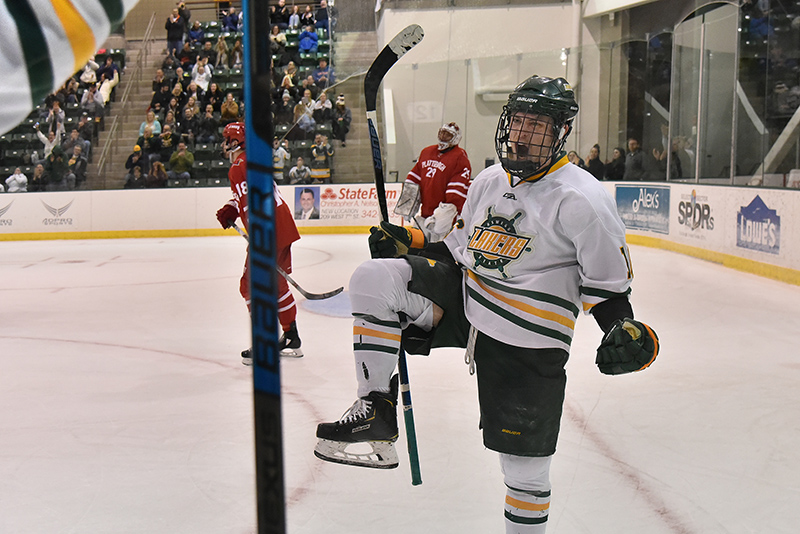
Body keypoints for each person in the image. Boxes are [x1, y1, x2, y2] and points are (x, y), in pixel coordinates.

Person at [314, 75, 660, 534]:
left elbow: (609, 291)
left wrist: (628, 332)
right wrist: (409, 240)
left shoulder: (584, 199)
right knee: (374, 279)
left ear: (560, 133)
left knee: (523, 472)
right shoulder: (489, 181)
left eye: (538, 124)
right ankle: (376, 409)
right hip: (466, 300)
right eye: (518, 120)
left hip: (528, 338)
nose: (523, 132)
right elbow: (461, 249)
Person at [213, 123, 304, 362]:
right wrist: (231, 209)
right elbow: (247, 197)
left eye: (226, 139)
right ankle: (292, 337)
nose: (223, 143)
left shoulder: (237, 167)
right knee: (278, 285)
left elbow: (250, 204)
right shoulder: (252, 161)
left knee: (250, 286)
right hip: (282, 224)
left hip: (268, 229)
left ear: (234, 142)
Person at [393, 122, 472, 242]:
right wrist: (408, 201)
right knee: (418, 245)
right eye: (442, 133)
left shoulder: (459, 157)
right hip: (425, 213)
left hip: (445, 216)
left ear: (456, 139)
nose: (443, 137)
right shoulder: (427, 152)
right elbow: (415, 177)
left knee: (439, 246)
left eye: (448, 135)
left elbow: (456, 192)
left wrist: (443, 216)